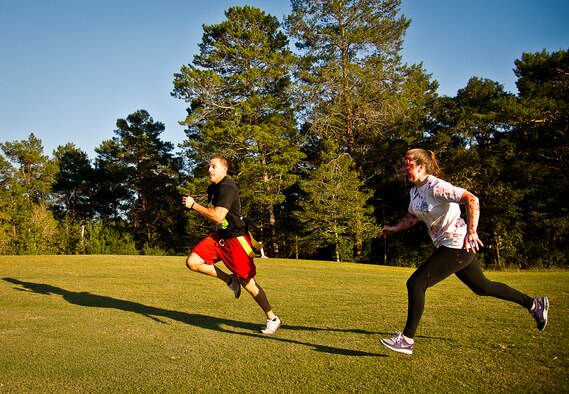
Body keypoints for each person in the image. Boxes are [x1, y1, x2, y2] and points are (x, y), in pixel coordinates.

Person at [378, 148, 549, 355]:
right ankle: (534, 304)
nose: (404, 168)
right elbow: (413, 217)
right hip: (449, 246)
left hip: (457, 244)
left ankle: (406, 340)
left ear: (421, 167)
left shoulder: (436, 186)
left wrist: (472, 231)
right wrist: (393, 229)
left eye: (408, 165)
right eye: (404, 164)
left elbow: (472, 199)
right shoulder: (414, 192)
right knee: (483, 287)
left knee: (416, 283)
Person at [182, 154, 281, 334]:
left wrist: (194, 205)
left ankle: (272, 318)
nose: (209, 169)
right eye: (209, 166)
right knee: (193, 262)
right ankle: (229, 279)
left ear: (224, 169)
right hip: (220, 237)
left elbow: (218, 215)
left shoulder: (228, 186)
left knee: (248, 283)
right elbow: (218, 218)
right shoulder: (212, 188)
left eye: (213, 166)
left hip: (236, 239)